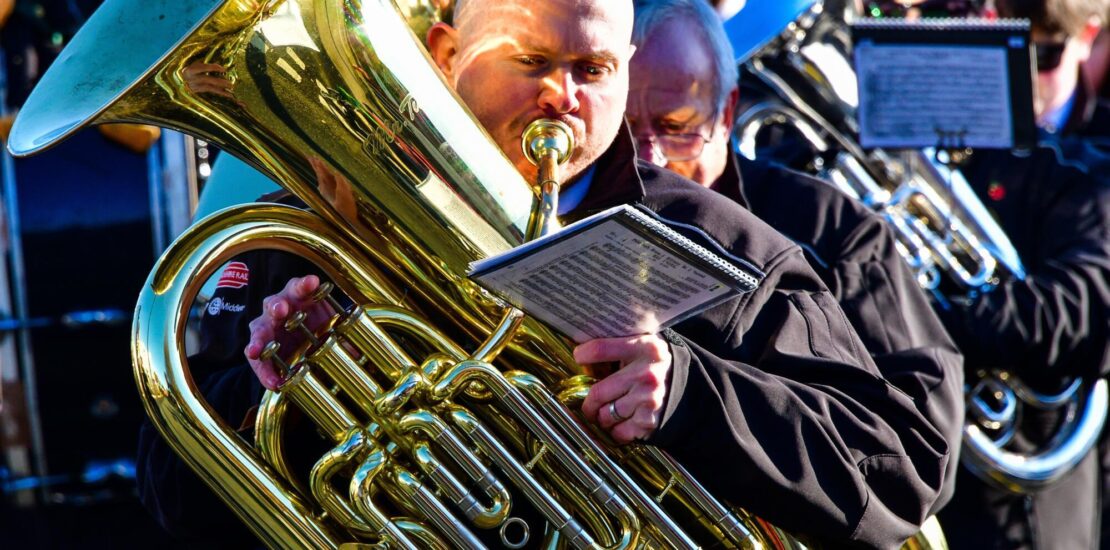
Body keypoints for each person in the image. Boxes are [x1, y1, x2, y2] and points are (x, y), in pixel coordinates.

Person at [142, 0, 949, 547]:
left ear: (627, 71)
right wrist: (280, 399)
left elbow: (898, 476)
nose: (563, 96)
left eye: (594, 70)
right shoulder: (315, 231)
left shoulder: (728, 244)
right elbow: (174, 502)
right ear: (444, 55)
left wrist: (693, 394)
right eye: (530, 60)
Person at [625, 0, 965, 517]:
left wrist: (692, 398)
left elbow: (922, 448)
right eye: (629, 128)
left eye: (677, 127)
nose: (648, 156)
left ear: (727, 111)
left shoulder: (828, 227)